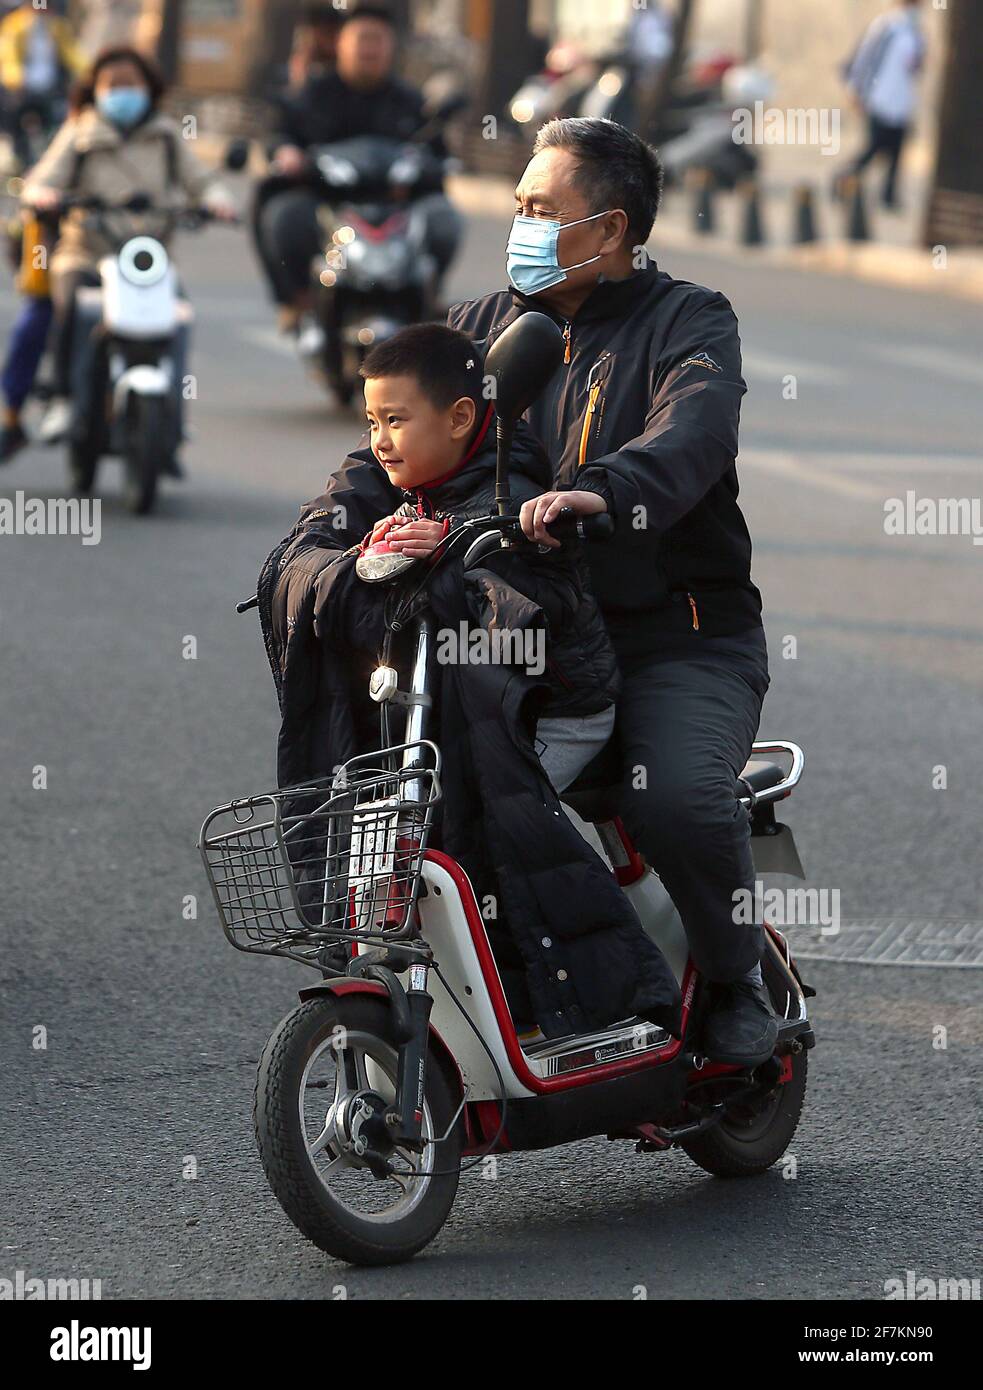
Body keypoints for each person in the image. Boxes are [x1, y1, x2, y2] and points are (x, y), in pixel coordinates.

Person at [448, 116, 776, 1068]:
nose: (520, 223)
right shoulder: (479, 331)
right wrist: (328, 535)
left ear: (610, 230)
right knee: (440, 792)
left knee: (672, 798)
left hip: (677, 639)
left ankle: (732, 976)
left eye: (541, 209)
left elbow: (696, 432)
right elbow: (393, 443)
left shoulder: (690, 319)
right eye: (516, 205)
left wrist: (608, 490)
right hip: (526, 640)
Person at [258, 322, 682, 1041]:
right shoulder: (382, 480)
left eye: (396, 420)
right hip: (436, 708)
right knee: (388, 822)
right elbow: (299, 551)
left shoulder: (508, 488)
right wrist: (359, 558)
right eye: (371, 421)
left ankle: (607, 998)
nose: (380, 439)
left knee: (483, 823)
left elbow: (511, 597)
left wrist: (450, 553)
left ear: (459, 418)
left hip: (542, 711)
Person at [19, 45, 235, 443]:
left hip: (148, 259)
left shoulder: (168, 135)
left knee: (179, 316)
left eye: (130, 84)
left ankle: (173, 410)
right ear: (95, 89)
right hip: (86, 253)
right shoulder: (79, 131)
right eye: (112, 85)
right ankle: (64, 399)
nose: (122, 93)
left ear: (149, 88)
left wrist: (217, 201)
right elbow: (43, 178)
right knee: (75, 312)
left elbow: (202, 181)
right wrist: (43, 195)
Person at [253, 3, 461, 333]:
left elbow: (436, 154)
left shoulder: (409, 101)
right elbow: (282, 135)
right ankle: (298, 299)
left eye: (378, 40)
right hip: (330, 201)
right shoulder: (313, 95)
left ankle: (427, 293)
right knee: (283, 214)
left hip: (394, 205)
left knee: (443, 219)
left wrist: (428, 168)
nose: (370, 48)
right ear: (341, 44)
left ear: (392, 46)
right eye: (362, 39)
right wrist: (288, 153)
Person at [841, 0, 926, 210]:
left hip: (902, 103)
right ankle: (843, 180)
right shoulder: (885, 27)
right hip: (879, 100)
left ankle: (888, 197)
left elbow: (916, 66)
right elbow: (864, 59)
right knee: (874, 147)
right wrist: (855, 90)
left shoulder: (916, 33)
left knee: (896, 153)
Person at [0, 0, 84, 168]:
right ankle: (20, 162)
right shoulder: (15, 25)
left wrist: (87, 71)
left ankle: (46, 164)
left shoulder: (58, 26)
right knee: (17, 128)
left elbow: (71, 52)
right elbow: (9, 55)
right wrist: (16, 79)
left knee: (51, 126)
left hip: (49, 86)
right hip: (22, 88)